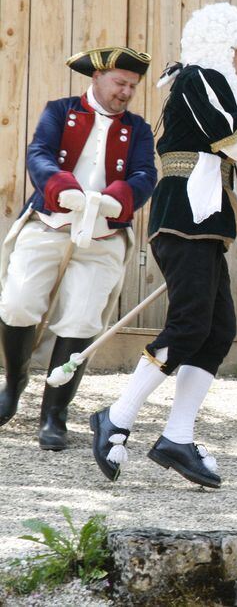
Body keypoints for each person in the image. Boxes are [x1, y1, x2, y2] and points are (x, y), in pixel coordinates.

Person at [89, 2, 237, 489]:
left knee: (217, 329)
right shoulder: (197, 78)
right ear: (219, 45)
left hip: (204, 218)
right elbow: (231, 141)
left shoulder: (208, 84)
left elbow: (212, 160)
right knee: (190, 324)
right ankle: (117, 417)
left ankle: (177, 436)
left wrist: (236, 204)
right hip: (182, 219)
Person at [0, 47, 156, 451]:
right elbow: (39, 155)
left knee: (83, 320)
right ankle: (15, 382)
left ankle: (54, 413)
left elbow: (145, 175)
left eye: (132, 87)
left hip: (104, 233)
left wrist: (115, 198)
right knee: (17, 304)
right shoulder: (59, 110)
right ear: (98, 77)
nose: (125, 93)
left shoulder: (138, 129)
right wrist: (61, 188)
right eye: (120, 83)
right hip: (50, 221)